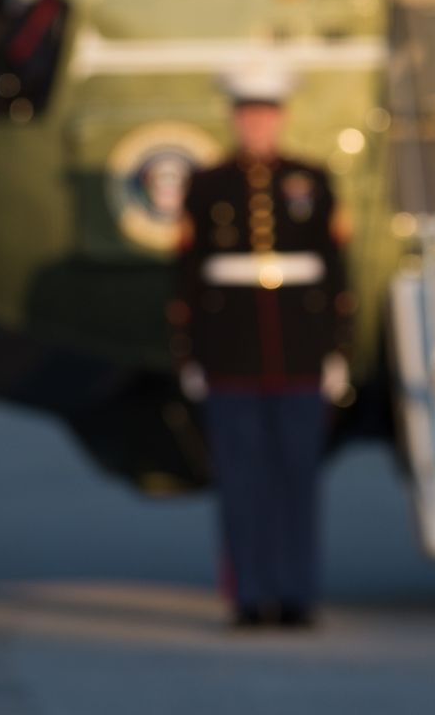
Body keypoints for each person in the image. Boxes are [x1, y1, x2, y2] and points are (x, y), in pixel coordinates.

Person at [169, 61, 355, 628]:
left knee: (297, 479)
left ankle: (296, 594)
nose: (257, 125)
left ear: (281, 119)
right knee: (242, 482)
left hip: (298, 354)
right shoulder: (207, 185)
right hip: (230, 356)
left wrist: (336, 350)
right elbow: (186, 278)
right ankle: (250, 595)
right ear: (236, 119)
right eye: (247, 115)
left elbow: (334, 274)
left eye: (266, 114)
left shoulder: (312, 180)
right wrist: (190, 354)